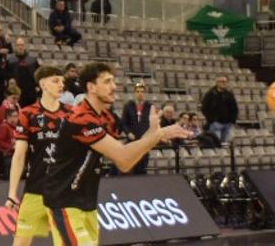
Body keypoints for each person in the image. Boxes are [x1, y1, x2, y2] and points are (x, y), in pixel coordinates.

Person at [39, 63, 192, 246]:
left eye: (113, 81)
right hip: (64, 201)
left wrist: (153, 134)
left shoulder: (105, 117)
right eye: (107, 81)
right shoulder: (80, 118)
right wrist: (157, 136)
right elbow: (123, 156)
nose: (114, 86)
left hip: (85, 202)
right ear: (91, 87)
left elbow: (125, 163)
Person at [5, 65, 68, 246]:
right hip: (35, 190)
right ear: (43, 85)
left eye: (62, 81)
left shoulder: (71, 114)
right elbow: (19, 156)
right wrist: (11, 193)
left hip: (62, 193)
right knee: (21, 243)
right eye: (56, 81)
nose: (61, 85)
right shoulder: (28, 113)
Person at [119, 82, 153, 175]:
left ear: (145, 93)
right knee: (132, 167)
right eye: (138, 91)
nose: (140, 93)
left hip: (144, 141)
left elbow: (152, 124)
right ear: (134, 93)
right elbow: (123, 122)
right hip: (132, 140)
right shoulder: (128, 106)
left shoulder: (149, 106)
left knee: (143, 168)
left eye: (142, 91)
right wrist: (128, 133)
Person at [202, 75, 239, 144]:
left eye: (225, 81)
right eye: (222, 81)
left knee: (226, 145)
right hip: (216, 124)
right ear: (217, 83)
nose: (224, 83)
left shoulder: (229, 94)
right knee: (217, 144)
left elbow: (234, 108)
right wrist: (212, 120)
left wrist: (232, 120)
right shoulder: (210, 94)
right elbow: (204, 108)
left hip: (228, 123)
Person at [7, 38, 39, 107]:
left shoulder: (32, 60)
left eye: (22, 45)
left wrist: (37, 86)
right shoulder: (10, 60)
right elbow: (7, 75)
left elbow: (37, 74)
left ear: (25, 46)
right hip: (16, 93)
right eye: (18, 45)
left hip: (30, 93)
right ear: (15, 46)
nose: (20, 47)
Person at [0, 107, 18, 175]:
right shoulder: (4, 127)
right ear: (9, 117)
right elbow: (0, 142)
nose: (17, 118)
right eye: (15, 116)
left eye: (17, 116)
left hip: (16, 154)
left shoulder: (16, 127)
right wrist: (12, 147)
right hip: (8, 155)